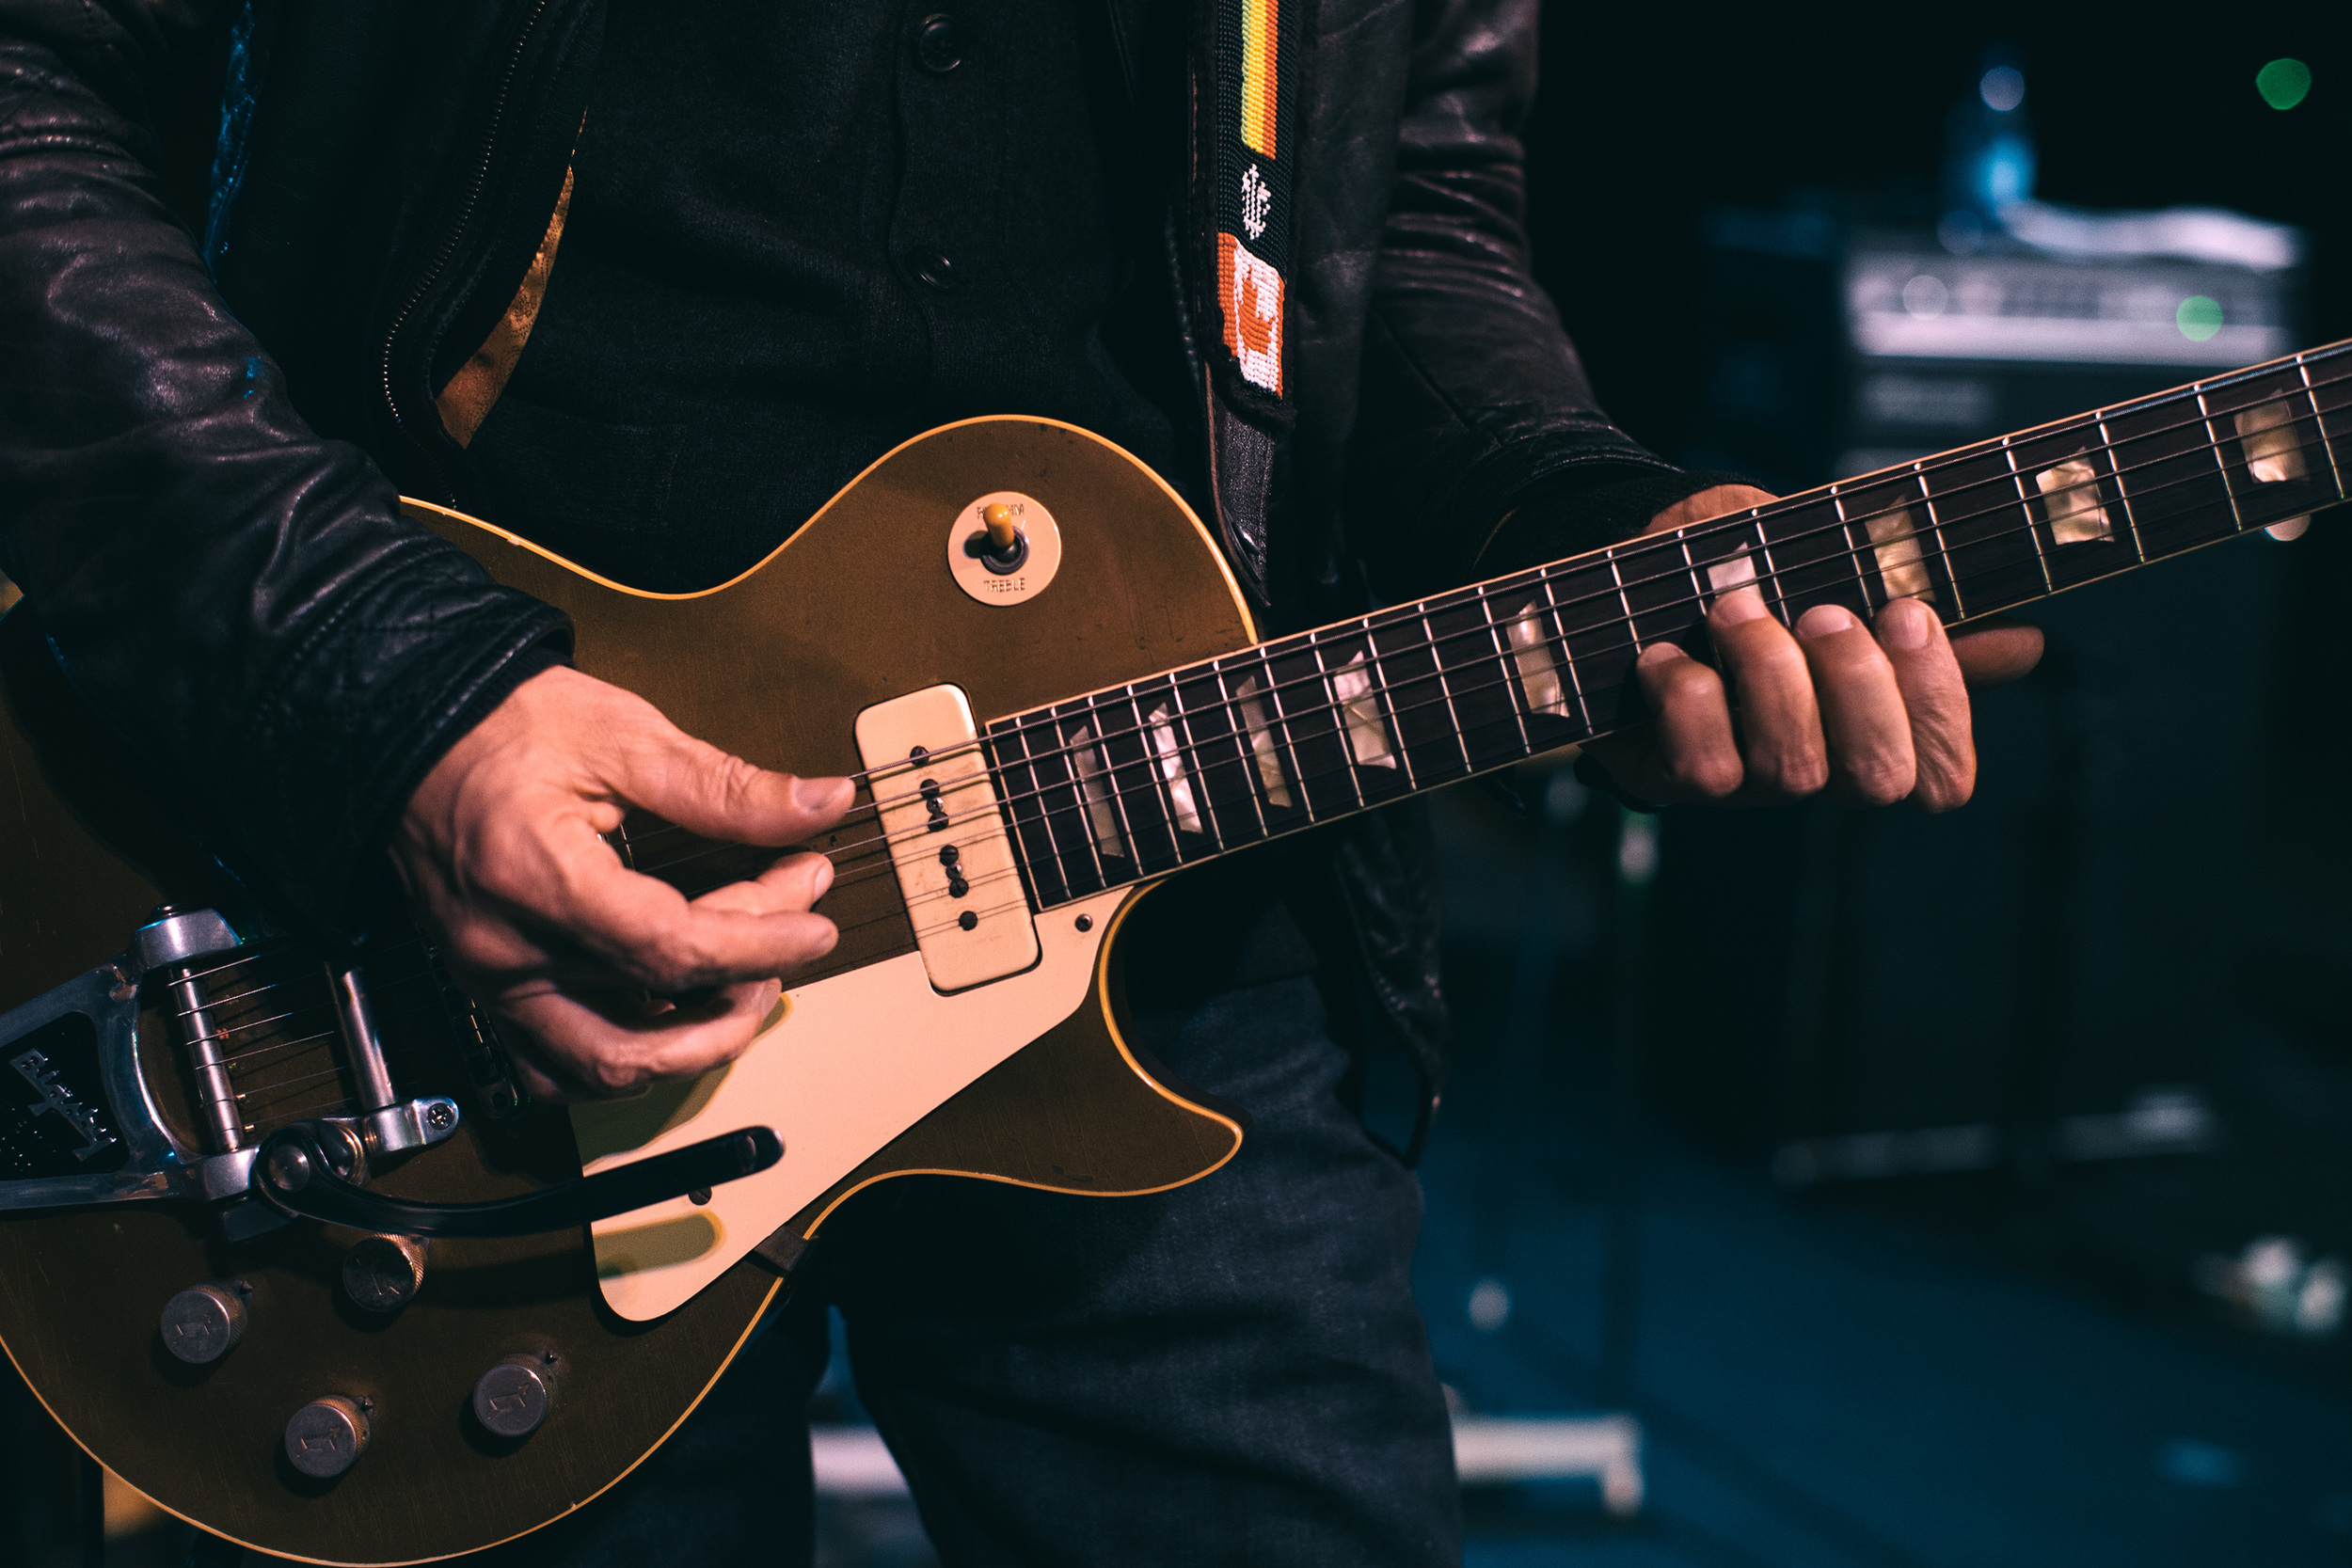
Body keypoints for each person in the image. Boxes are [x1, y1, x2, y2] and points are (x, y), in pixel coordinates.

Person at [0, 1, 2038, 1561]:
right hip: (459, 911)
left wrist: (1579, 522)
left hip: (1157, 866)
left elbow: (1388, 225)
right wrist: (382, 692)